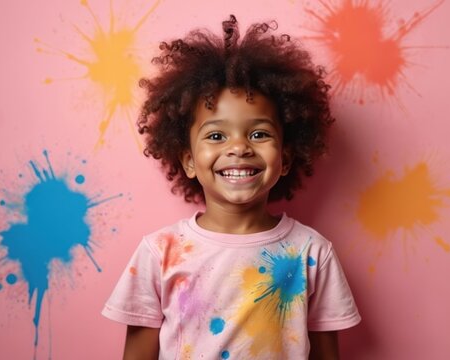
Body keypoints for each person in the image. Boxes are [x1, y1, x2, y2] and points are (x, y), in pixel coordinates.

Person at [101, 15, 360, 360]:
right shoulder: (159, 253)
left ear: (285, 159)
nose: (239, 148)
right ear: (189, 160)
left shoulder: (312, 253)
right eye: (217, 135)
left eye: (258, 134)